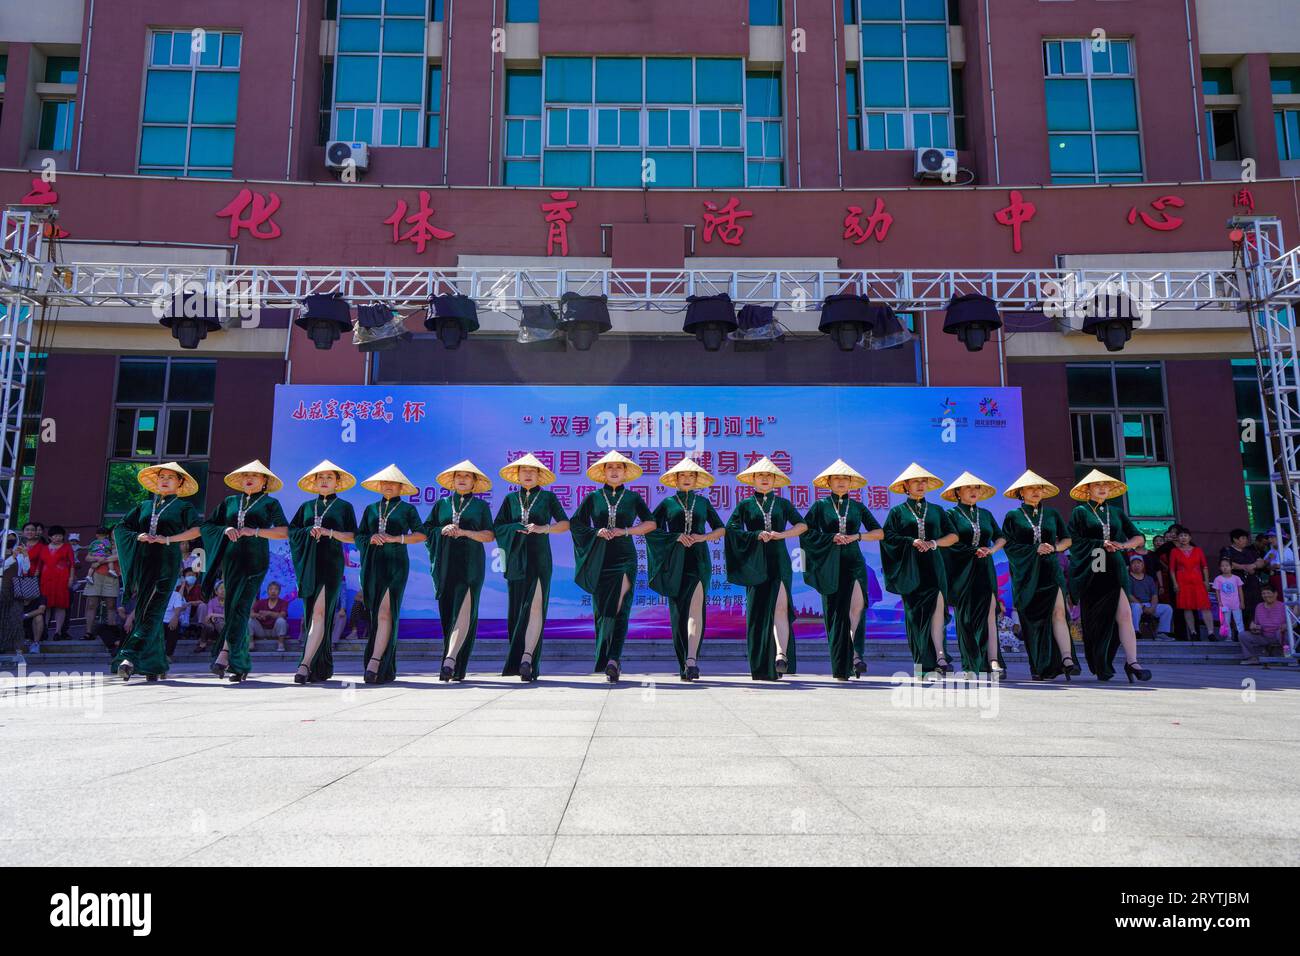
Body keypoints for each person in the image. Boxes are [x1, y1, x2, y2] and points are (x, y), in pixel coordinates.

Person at [111, 462, 203, 681]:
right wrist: (137, 536)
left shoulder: (183, 507)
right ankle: (155, 664)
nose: (165, 480)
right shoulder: (143, 506)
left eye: (171, 477)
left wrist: (168, 539)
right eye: (162, 476)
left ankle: (128, 656)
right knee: (144, 610)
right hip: (145, 561)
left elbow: (196, 530)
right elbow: (122, 528)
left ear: (180, 483)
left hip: (167, 561)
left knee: (153, 608)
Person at [570, 450, 656, 684]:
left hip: (625, 558)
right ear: (603, 473)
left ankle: (614, 659)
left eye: (619, 467)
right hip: (600, 557)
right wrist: (596, 531)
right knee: (602, 611)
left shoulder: (633, 498)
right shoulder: (593, 497)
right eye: (610, 468)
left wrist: (626, 531)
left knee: (621, 608)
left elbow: (651, 524)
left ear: (625, 472)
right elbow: (576, 524)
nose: (615, 471)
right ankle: (605, 657)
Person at [200, 459, 289, 680]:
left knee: (240, 607)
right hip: (231, 561)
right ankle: (239, 665)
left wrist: (255, 531)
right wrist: (226, 528)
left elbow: (282, 532)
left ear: (265, 481)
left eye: (255, 476)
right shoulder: (229, 501)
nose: (249, 479)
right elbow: (208, 526)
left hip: (255, 560)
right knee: (231, 608)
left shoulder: (270, 503)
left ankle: (225, 654)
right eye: (245, 476)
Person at [800, 459, 884, 681]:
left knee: (857, 607)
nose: (841, 482)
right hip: (830, 564)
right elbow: (805, 533)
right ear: (828, 482)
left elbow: (879, 533)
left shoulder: (857, 507)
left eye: (845, 479)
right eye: (836, 478)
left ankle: (856, 654)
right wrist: (829, 538)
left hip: (854, 562)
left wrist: (857, 536)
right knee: (836, 615)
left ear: (851, 483)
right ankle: (841, 662)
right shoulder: (820, 506)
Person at [724, 457, 806, 681]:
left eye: (768, 476)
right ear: (753, 479)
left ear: (775, 480)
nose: (764, 479)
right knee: (758, 613)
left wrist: (782, 535)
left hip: (779, 559)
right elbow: (730, 530)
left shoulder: (783, 504)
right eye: (760, 475)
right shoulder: (745, 505)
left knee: (780, 607)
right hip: (755, 562)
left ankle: (781, 654)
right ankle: (761, 664)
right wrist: (754, 535)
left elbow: (802, 525)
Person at [1066, 469, 1151, 682]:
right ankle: (1101, 662)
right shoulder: (1080, 512)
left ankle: (1133, 662)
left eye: (1105, 485)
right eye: (1097, 485)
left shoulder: (1116, 513)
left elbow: (1138, 538)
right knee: (1096, 621)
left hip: (1114, 567)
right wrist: (1099, 544)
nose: (1102, 488)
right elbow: (1073, 542)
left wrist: (1122, 545)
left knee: (1125, 615)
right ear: (1087, 490)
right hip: (1092, 568)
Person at [646, 457, 725, 682]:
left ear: (697, 479)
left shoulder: (703, 504)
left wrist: (704, 537)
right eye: (683, 475)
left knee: (696, 609)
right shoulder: (668, 504)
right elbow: (651, 530)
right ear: (676, 479)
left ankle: (692, 660)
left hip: (699, 560)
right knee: (678, 615)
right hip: (675, 561)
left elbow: (721, 529)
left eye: (691, 475)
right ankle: (684, 661)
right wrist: (674, 537)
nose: (687, 479)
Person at [494, 453, 571, 682]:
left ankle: (528, 658)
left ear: (539, 475)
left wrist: (543, 528)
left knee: (536, 607)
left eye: (532, 471)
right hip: (516, 559)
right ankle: (519, 657)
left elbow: (565, 524)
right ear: (517, 476)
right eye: (524, 471)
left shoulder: (548, 498)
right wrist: (513, 528)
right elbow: (497, 528)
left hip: (540, 559)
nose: (528, 475)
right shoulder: (510, 500)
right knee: (517, 611)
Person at [1000, 470, 1080, 681]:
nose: (1036, 491)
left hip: (1050, 570)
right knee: (1032, 621)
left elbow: (1067, 540)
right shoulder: (1013, 517)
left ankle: (1067, 659)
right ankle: (1039, 665)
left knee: (1059, 613)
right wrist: (1033, 549)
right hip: (1026, 574)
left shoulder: (1052, 514)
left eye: (1039, 488)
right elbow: (1009, 546)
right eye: (1031, 488)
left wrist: (1053, 548)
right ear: (1021, 492)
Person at [879, 463, 957, 677]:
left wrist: (933, 543)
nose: (921, 485)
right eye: (916, 481)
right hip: (910, 570)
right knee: (915, 617)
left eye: (924, 481)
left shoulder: (937, 510)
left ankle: (941, 656)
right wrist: (911, 541)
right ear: (906, 485)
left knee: (938, 608)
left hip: (933, 566)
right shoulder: (897, 512)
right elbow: (888, 538)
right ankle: (923, 662)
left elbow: (953, 536)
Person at [424, 460, 495, 683]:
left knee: (465, 608)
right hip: (445, 563)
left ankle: (449, 660)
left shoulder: (481, 507)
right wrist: (441, 530)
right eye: (458, 476)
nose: (462, 479)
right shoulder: (442, 504)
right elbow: (426, 530)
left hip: (471, 563)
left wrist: (464, 532)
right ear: (452, 481)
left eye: (467, 476)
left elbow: (489, 535)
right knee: (448, 613)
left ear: (474, 482)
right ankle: (455, 664)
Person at [287, 460, 358, 684]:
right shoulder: (306, 507)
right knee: (312, 616)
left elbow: (352, 537)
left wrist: (328, 532)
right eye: (321, 478)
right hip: (309, 564)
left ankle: (304, 664)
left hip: (330, 564)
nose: (325, 481)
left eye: (329, 477)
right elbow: (292, 532)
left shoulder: (344, 507)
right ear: (315, 482)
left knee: (320, 614)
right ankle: (321, 664)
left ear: (337, 482)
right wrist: (308, 531)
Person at [355, 464, 427, 684]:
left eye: (392, 483)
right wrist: (370, 539)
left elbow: (422, 535)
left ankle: (375, 662)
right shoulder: (370, 509)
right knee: (375, 613)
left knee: (386, 612)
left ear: (400, 487)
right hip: (373, 564)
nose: (388, 486)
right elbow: (358, 537)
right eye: (384, 482)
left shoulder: (407, 510)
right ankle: (383, 663)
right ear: (379, 486)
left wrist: (398, 539)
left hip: (396, 563)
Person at [940, 472, 1009, 679]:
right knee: (966, 617)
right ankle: (970, 662)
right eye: (968, 487)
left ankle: (993, 660)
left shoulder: (986, 514)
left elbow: (1001, 538)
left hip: (984, 567)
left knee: (989, 612)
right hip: (962, 569)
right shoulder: (950, 514)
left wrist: (991, 551)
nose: (973, 491)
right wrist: (971, 551)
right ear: (957, 492)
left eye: (976, 488)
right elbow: (949, 542)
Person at [29, 525, 75, 641]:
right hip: (46, 580)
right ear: (50, 537)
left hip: (61, 579)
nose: (58, 538)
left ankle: (58, 632)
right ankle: (44, 630)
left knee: (61, 606)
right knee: (46, 606)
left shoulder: (67, 547)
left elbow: (72, 564)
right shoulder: (44, 548)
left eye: (60, 536)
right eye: (55, 536)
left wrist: (71, 579)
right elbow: (39, 565)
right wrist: (35, 578)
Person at [1169, 527, 1214, 640]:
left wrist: (1206, 581)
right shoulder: (1174, 551)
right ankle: (1193, 632)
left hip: (1198, 581)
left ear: (1190, 537)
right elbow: (1172, 570)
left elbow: (1204, 567)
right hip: (1182, 582)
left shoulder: (1198, 550)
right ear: (1178, 538)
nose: (1183, 538)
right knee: (1187, 607)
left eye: (1185, 535)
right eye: (1181, 536)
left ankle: (1211, 632)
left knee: (1205, 606)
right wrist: (1175, 584)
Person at [82, 527, 120, 644]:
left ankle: (111, 632)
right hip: (96, 576)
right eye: (112, 533)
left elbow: (118, 556)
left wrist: (99, 561)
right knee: (92, 604)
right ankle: (89, 632)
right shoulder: (100, 543)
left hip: (112, 575)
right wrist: (95, 558)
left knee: (111, 605)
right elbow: (87, 557)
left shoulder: (122, 543)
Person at [1220, 528, 1264, 627]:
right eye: (1243, 538)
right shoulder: (1227, 551)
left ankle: (1253, 627)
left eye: (1246, 538)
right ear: (1235, 539)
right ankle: (1238, 632)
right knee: (1239, 607)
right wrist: (1244, 567)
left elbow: (1261, 561)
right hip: (1237, 584)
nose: (1246, 540)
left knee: (1254, 606)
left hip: (1253, 584)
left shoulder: (1250, 551)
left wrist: (1254, 566)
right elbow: (1227, 563)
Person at [1128, 555, 1173, 639]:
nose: (1136, 565)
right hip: (1135, 605)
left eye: (1138, 563)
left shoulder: (1149, 579)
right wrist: (1143, 607)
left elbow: (1154, 595)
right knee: (1136, 607)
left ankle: (1162, 633)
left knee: (1167, 608)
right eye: (1133, 563)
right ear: (1130, 566)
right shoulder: (1128, 578)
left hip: (1148, 604)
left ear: (1143, 565)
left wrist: (1152, 607)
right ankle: (1135, 632)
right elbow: (1129, 595)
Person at [1242, 585, 1287, 664]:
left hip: (1279, 634)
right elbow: (1256, 624)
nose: (1266, 595)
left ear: (1275, 594)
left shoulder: (1283, 606)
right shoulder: (1259, 606)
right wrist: (1254, 628)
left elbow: (1291, 623)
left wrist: (1285, 626)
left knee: (1287, 634)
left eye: (1268, 593)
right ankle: (1252, 658)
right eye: (1263, 593)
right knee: (1243, 635)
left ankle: (1288, 657)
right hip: (1263, 635)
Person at [250, 581, 290, 651]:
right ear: (268, 591)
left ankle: (281, 644)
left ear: (279, 591)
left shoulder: (283, 602)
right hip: (262, 631)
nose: (273, 591)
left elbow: (283, 615)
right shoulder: (260, 602)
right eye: (271, 589)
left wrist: (269, 613)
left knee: (281, 621)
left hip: (275, 632)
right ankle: (250, 643)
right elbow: (250, 613)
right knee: (250, 620)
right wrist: (258, 615)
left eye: (276, 589)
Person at [1212, 557, 1244, 641]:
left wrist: (1242, 602)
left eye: (1227, 565)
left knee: (1239, 621)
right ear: (1220, 568)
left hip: (1236, 603)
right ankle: (1228, 636)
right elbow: (1217, 591)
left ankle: (1242, 636)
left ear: (1231, 567)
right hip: (1225, 604)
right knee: (1226, 621)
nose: (1225, 567)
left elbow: (1240, 591)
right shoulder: (1218, 579)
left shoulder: (1236, 578)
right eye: (1222, 566)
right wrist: (1219, 602)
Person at [199, 582, 226, 654]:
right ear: (216, 592)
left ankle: (224, 646)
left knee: (219, 621)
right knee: (208, 625)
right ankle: (202, 644)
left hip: (225, 626)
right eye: (221, 589)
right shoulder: (212, 601)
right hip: (214, 625)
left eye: (225, 588)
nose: (223, 591)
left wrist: (214, 615)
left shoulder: (229, 602)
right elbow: (209, 615)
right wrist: (213, 616)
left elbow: (228, 616)